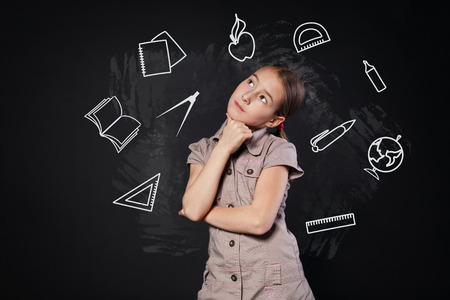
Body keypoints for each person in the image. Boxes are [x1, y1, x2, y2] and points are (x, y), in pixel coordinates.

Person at [179, 65, 315, 299]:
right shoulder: (202, 149)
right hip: (220, 286)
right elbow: (192, 209)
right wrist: (223, 147)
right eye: (251, 82)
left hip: (276, 288)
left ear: (274, 120)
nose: (247, 95)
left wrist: (203, 212)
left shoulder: (278, 150)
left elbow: (258, 221)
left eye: (263, 98)